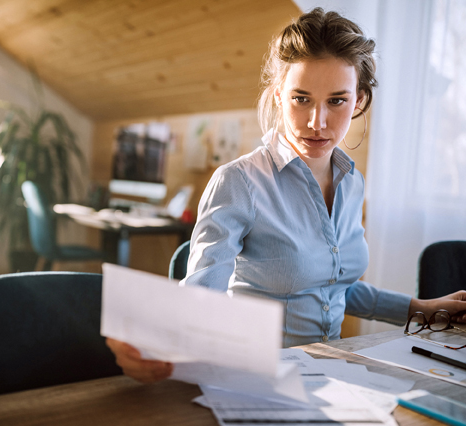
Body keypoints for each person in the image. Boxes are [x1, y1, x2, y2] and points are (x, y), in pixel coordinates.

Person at [106, 8, 466, 384]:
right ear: (279, 96)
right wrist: (153, 344)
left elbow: (334, 285)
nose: (317, 122)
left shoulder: (352, 183)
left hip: (333, 375)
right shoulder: (239, 182)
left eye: (337, 101)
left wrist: (421, 308)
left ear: (358, 100)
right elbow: (201, 299)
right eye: (301, 98)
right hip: (257, 381)